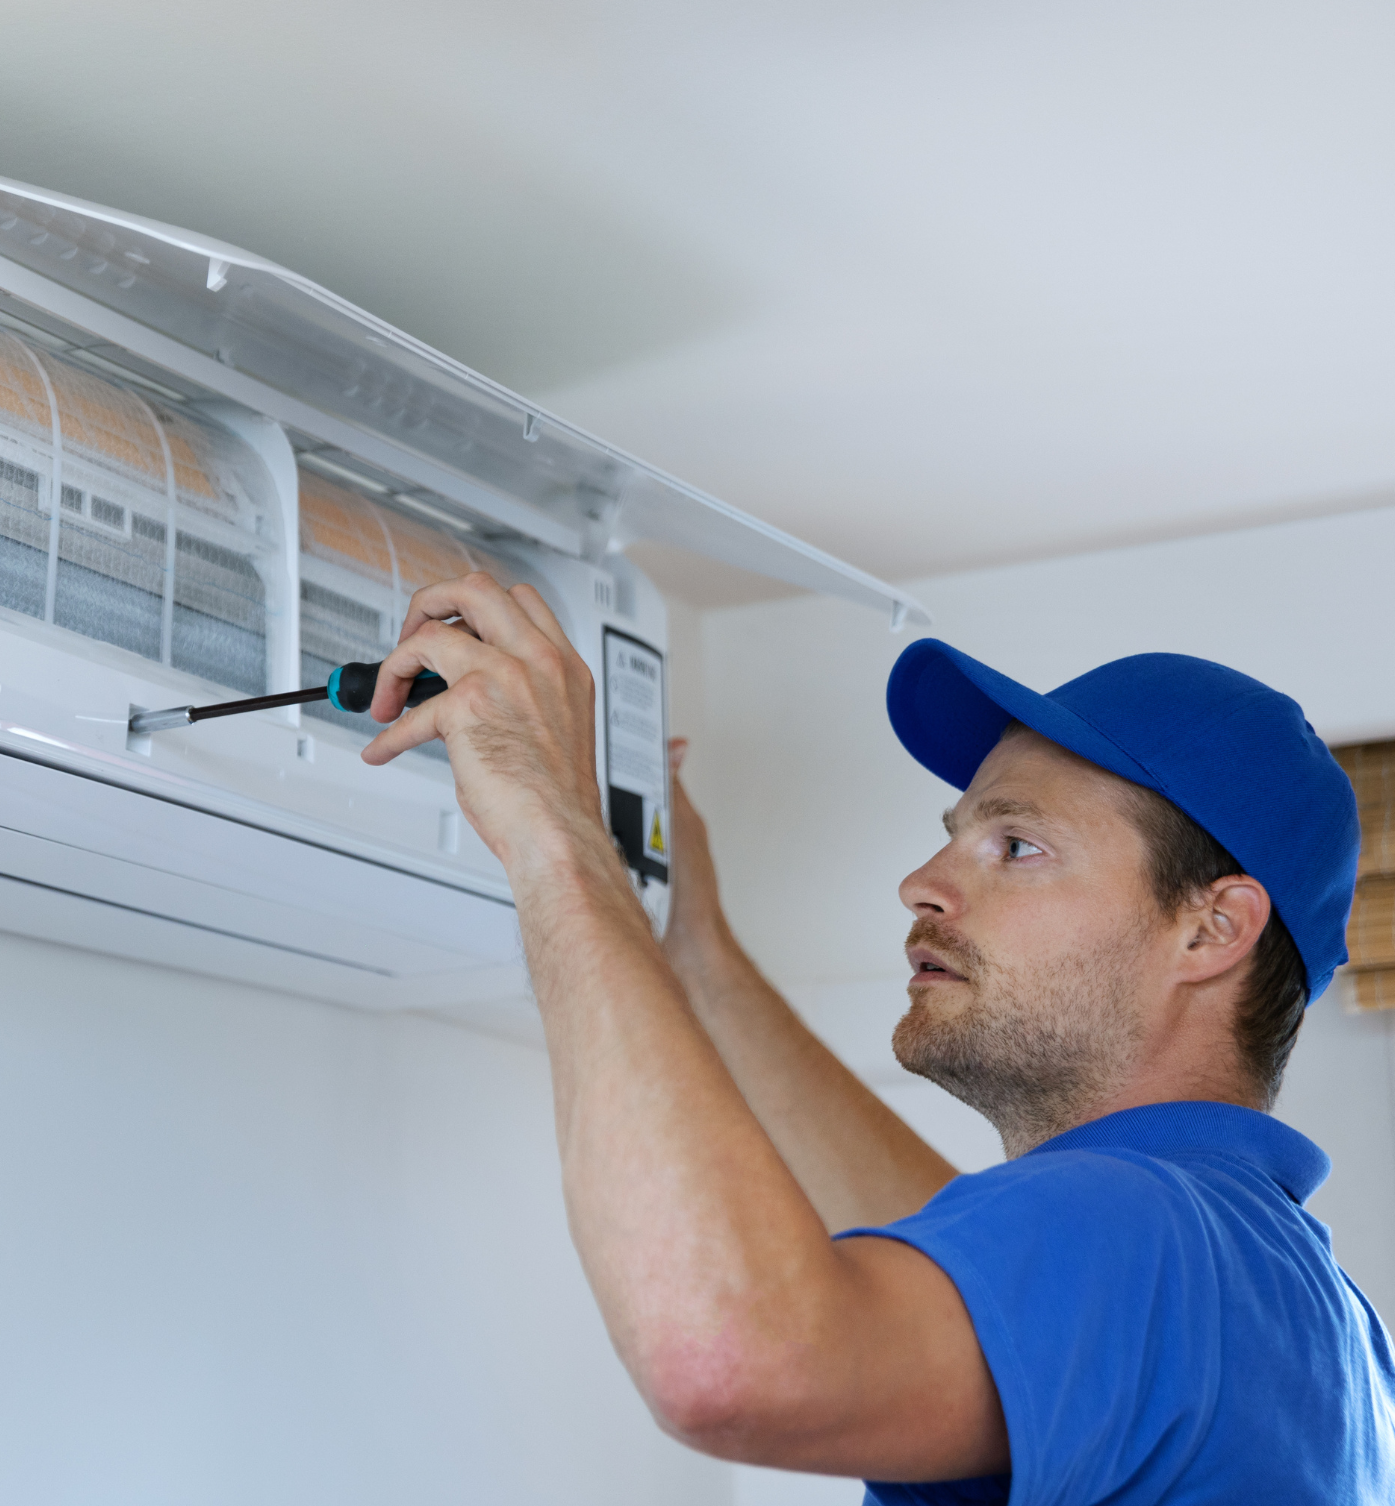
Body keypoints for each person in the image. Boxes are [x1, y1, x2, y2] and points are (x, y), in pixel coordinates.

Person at [360, 573, 1395, 1504]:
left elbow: (723, 1360)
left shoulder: (1136, 1230)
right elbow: (953, 1249)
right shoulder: (1301, 1303)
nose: (923, 882)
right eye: (954, 835)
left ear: (1209, 928)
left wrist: (553, 828)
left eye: (1015, 844)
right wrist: (698, 960)